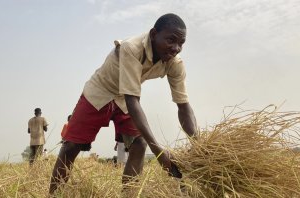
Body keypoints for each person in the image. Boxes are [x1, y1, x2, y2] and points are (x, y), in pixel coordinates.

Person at [49, 13, 198, 194]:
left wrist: (200, 147)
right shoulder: (132, 48)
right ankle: (53, 194)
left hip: (125, 99)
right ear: (153, 34)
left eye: (181, 43)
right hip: (99, 92)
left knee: (139, 144)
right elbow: (132, 100)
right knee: (71, 145)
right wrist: (158, 151)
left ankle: (129, 194)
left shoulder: (175, 64)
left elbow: (183, 106)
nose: (176, 48)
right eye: (170, 40)